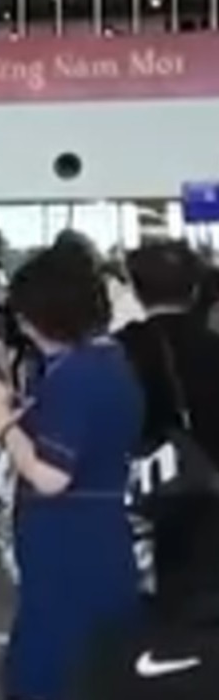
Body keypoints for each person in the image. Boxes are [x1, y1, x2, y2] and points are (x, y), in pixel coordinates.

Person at [0, 244, 143, 700]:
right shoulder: (109, 363)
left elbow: (50, 476)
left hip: (69, 541)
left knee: (55, 663)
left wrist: (0, 422)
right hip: (97, 533)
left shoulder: (75, 377)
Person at [115, 240, 219, 607]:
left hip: (142, 483)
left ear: (135, 290)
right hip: (209, 479)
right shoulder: (212, 344)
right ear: (195, 288)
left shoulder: (118, 350)